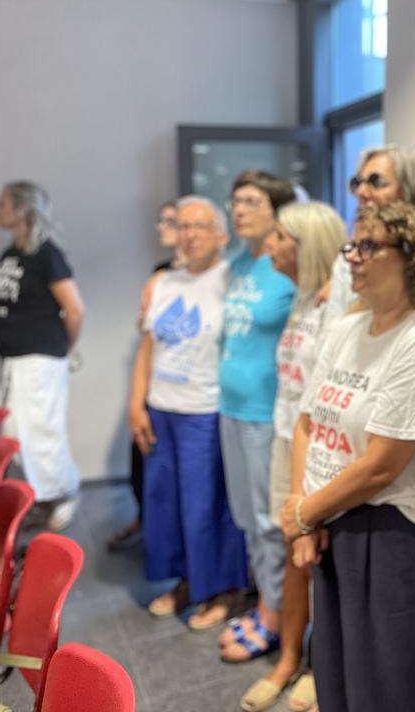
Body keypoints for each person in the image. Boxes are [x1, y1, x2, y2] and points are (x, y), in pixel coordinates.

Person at [282, 201, 415, 712]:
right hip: (329, 521)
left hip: (392, 533)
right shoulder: (345, 330)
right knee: (335, 674)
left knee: (387, 688)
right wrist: (304, 511)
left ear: (411, 257)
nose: (353, 257)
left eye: (369, 245)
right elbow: (306, 423)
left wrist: (301, 515)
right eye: (352, 246)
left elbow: (383, 465)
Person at [238, 201, 345, 711]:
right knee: (290, 549)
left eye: (281, 237)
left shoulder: (337, 304)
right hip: (287, 437)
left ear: (309, 244)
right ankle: (288, 660)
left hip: (322, 448)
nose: (270, 245)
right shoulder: (302, 298)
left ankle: (318, 667)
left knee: (316, 557)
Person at [128, 196, 248, 629]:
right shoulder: (163, 282)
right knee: (167, 505)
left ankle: (223, 590)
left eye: (200, 225)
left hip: (206, 411)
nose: (190, 234)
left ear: (221, 234)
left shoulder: (234, 279)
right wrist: (135, 404)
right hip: (162, 409)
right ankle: (186, 582)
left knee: (206, 507)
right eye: (182, 225)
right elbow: (148, 346)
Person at [0, 181, 83, 531]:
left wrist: (65, 350)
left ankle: (62, 493)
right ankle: (42, 494)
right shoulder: (12, 254)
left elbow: (75, 309)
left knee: (41, 431)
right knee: (19, 432)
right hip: (14, 357)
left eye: (2, 204)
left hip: (41, 357)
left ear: (21, 210)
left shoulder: (47, 255)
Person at [217, 170, 296, 657]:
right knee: (247, 517)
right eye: (235, 200)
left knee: (269, 520)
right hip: (231, 407)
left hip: (267, 413)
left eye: (251, 201)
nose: (238, 209)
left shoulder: (285, 266)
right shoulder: (237, 263)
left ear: (276, 211)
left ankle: (274, 616)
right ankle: (267, 600)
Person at [110, 200, 185, 551]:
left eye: (171, 221)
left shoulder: (214, 275)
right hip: (157, 385)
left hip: (188, 394)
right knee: (141, 462)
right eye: (163, 220)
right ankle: (146, 523)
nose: (162, 227)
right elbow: (146, 329)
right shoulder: (160, 272)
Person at [325, 144, 415, 328]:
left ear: (410, 191)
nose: (361, 192)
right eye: (357, 183)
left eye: (375, 182)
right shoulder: (347, 261)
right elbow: (329, 338)